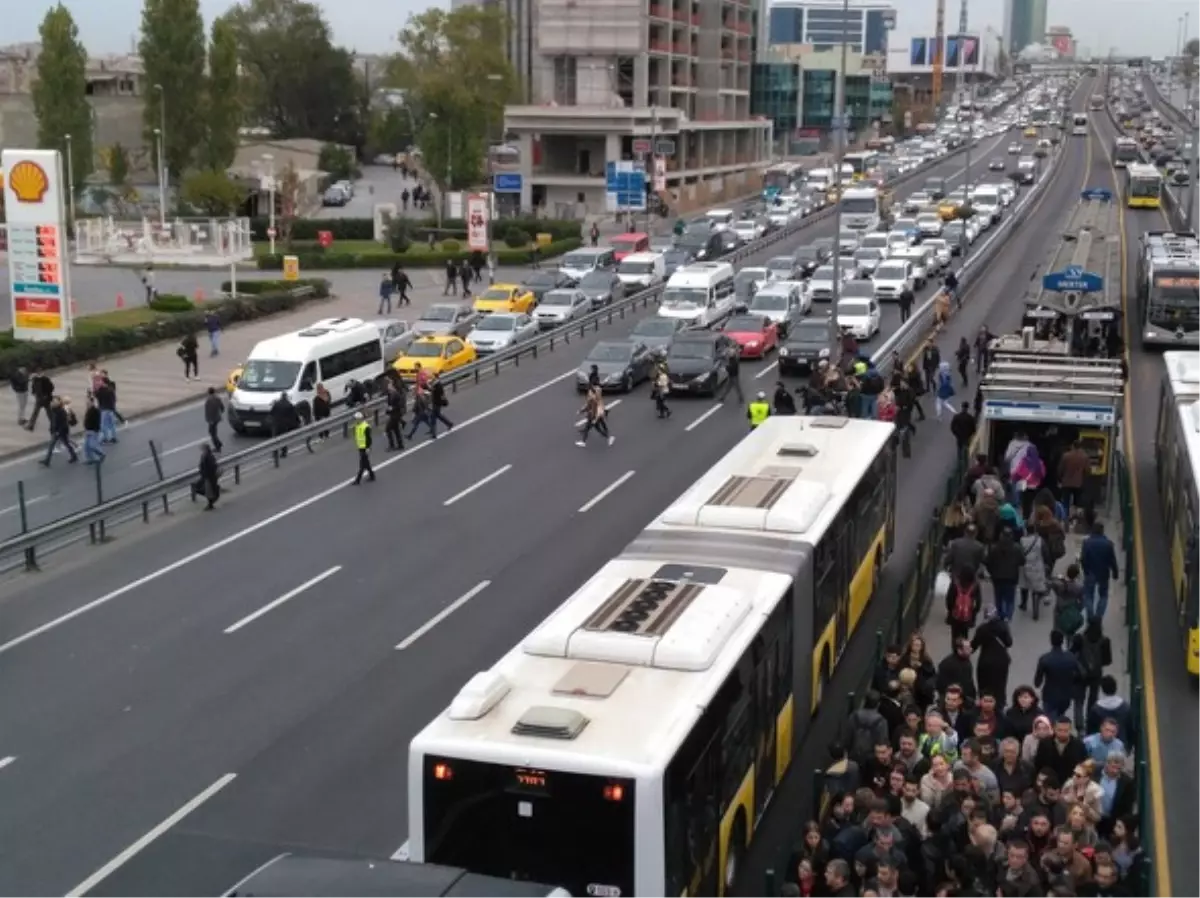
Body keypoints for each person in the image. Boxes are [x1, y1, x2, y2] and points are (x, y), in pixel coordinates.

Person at [1034, 630, 1082, 720]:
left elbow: (1037, 682)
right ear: (1062, 641)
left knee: (1049, 719)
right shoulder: (1070, 657)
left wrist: (1038, 682)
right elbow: (1080, 674)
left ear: (1051, 641)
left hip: (1049, 695)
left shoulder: (1045, 659)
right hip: (1066, 695)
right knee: (1060, 716)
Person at [1080, 520, 1120, 623]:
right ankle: (1098, 616)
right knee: (1103, 595)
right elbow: (1112, 560)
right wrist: (1115, 573)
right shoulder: (1108, 544)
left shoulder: (1087, 543)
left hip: (1090, 573)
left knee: (1088, 595)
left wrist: (1085, 570)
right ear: (1102, 531)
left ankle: (1090, 615)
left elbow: (1083, 559)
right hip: (1103, 573)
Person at [40, 397, 78, 466]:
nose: (52, 402)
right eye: (53, 401)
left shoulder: (61, 411)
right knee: (52, 445)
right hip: (56, 431)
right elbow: (54, 421)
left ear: (58, 403)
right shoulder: (54, 410)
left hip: (61, 431)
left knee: (66, 444)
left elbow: (64, 423)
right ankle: (47, 461)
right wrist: (52, 429)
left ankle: (74, 456)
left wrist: (58, 432)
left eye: (54, 401)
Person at [190, 444, 220, 509]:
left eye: (203, 449)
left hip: (209, 476)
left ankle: (210, 504)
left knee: (208, 490)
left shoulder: (209, 457)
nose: (202, 450)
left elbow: (213, 466)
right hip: (205, 476)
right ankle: (211, 501)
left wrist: (208, 474)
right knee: (199, 488)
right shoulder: (204, 456)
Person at [353, 411, 376, 484]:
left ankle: (357, 480)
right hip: (360, 447)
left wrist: (368, 448)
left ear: (360, 419)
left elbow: (369, 439)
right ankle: (372, 475)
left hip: (365, 448)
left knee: (362, 465)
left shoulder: (365, 427)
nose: (355, 420)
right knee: (366, 463)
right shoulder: (357, 425)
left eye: (356, 419)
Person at [81, 397, 105, 464]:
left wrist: (96, 430)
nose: (87, 403)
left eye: (88, 402)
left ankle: (101, 453)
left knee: (92, 445)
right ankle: (90, 459)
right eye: (86, 402)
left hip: (93, 431)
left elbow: (98, 421)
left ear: (92, 402)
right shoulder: (88, 410)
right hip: (88, 430)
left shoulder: (95, 410)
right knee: (86, 447)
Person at [385, 381, 406, 450]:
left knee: (388, 429)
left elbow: (399, 405)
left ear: (393, 387)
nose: (388, 387)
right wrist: (388, 409)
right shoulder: (390, 394)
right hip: (393, 414)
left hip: (396, 415)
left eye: (389, 386)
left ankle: (392, 445)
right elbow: (389, 404)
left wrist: (392, 408)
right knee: (396, 430)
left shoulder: (396, 394)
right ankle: (400, 445)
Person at [204, 386, 225, 452]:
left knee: (212, 433)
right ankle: (218, 444)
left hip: (212, 419)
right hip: (217, 418)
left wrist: (209, 420)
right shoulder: (217, 398)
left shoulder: (208, 400)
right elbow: (222, 407)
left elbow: (208, 411)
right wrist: (220, 412)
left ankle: (218, 445)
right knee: (213, 432)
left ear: (209, 392)